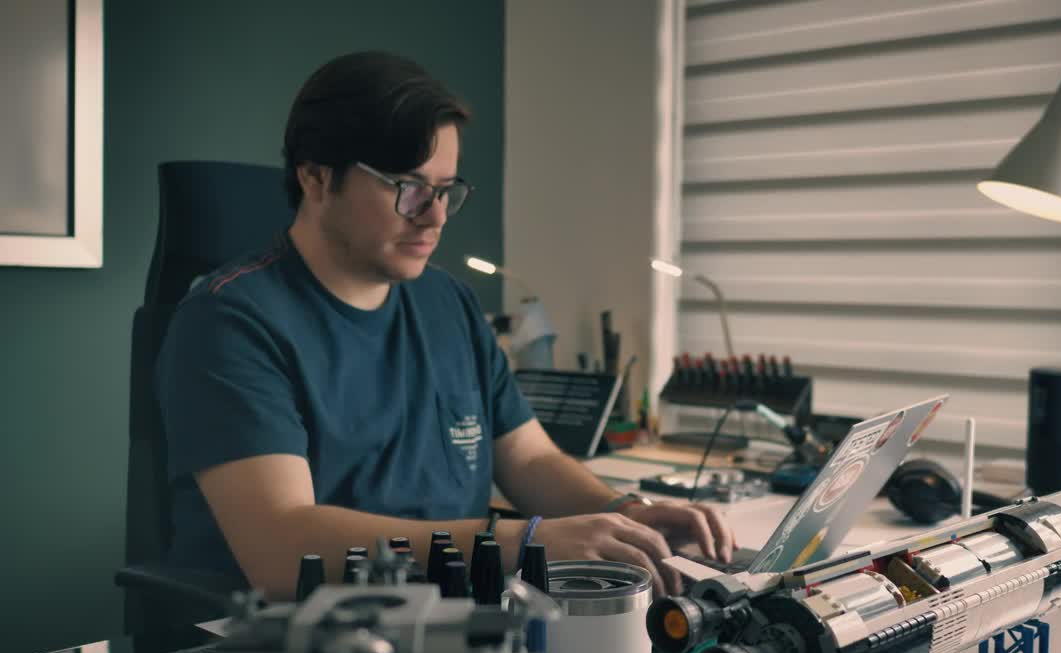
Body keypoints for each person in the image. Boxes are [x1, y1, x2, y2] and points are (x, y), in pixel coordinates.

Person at [155, 51, 733, 600]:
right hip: (308, 641)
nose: (434, 216)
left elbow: (529, 460)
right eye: (408, 188)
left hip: (459, 613)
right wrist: (523, 541)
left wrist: (624, 514)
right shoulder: (230, 322)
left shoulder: (447, 302)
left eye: (446, 190)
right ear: (315, 178)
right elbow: (282, 545)